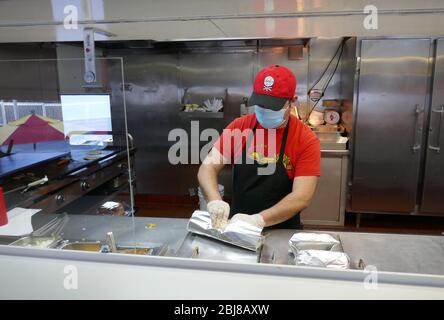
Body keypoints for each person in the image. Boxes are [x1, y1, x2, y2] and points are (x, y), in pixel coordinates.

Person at [198, 65, 320, 230]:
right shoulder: (240, 127)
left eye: (273, 106)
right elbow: (208, 168)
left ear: (292, 102)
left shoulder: (305, 139)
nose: (266, 110)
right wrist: (214, 200)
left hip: (281, 230)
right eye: (262, 104)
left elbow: (302, 196)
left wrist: (259, 220)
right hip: (237, 227)